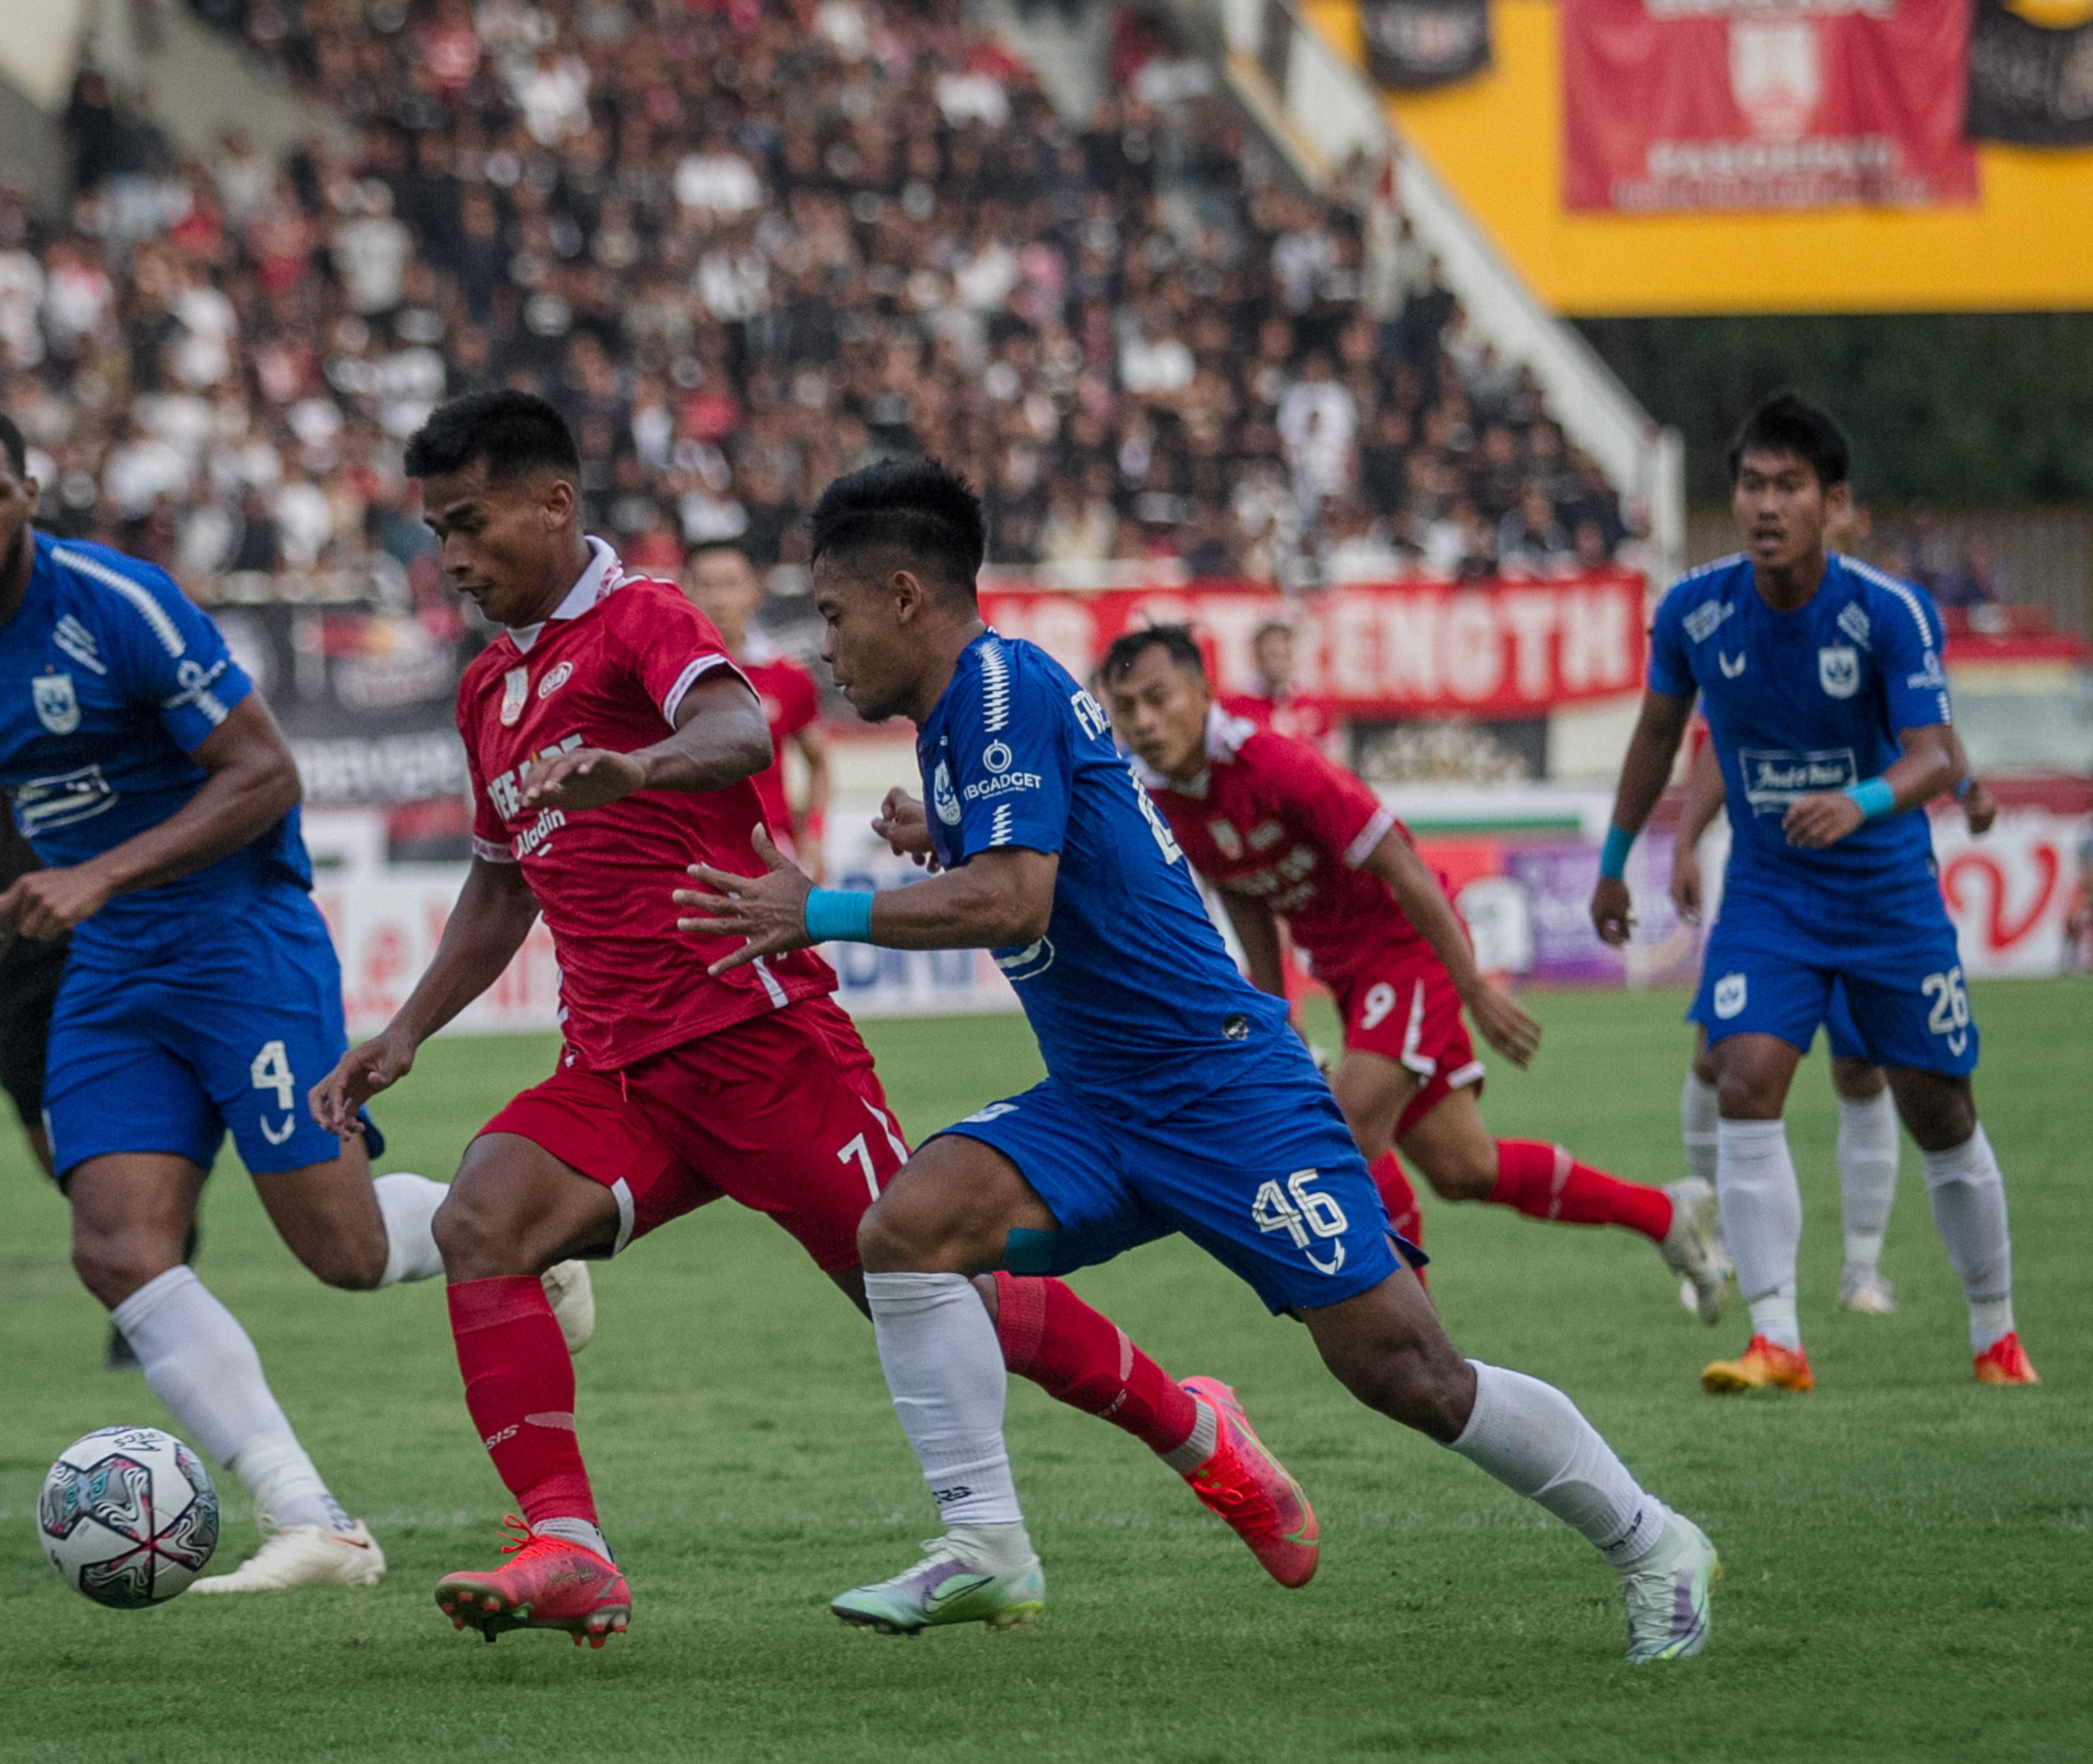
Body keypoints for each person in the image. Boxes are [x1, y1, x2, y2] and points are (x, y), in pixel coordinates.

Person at [312, 391, 1312, 1650]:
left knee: (936, 1283)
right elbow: (503, 881)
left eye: (469, 525)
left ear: (554, 504)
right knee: (483, 1218)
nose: (451, 558)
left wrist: (641, 766)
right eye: (437, 533)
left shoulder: (642, 620)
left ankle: (1198, 1429)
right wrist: (405, 1031)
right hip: (618, 1065)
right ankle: (566, 1543)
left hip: (759, 1039)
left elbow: (733, 727)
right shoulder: (487, 691)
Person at [677, 458, 1717, 1662]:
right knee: (906, 1229)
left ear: (905, 595)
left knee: (1411, 1373)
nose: (826, 646)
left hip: (1225, 1092)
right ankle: (984, 1546)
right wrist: (940, 831)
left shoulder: (1000, 689)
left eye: (835, 613)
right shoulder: (966, 721)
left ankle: (1655, 1541)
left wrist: (826, 910)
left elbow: (1016, 901)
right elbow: (1041, 866)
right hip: (1105, 1101)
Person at [0, 401, 562, 1596]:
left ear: (28, 495)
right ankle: (311, 1519)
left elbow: (266, 773)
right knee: (115, 1244)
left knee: (346, 1253)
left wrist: (99, 872)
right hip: (113, 974)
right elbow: (12, 799)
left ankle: (513, 1226)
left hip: (239, 945)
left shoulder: (119, 606)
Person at [1591, 393, 2035, 1393]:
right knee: (1743, 1073)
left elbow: (1932, 754)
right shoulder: (1696, 611)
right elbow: (1664, 737)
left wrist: (1862, 798)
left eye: (1789, 485)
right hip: (1773, 893)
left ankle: (1996, 1331)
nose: (1766, 503)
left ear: (1832, 502)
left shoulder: (1888, 611)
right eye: (1752, 483)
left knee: (1939, 1110)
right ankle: (1777, 1336)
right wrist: (1621, 857)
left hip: (1887, 899)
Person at [1097, 624, 1729, 1317]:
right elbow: (1245, 897)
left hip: (1405, 946)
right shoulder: (1163, 798)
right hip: (1349, 976)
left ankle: (1414, 1342)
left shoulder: (1274, 762)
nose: (1145, 722)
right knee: (1464, 1169)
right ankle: (1666, 1217)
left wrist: (1474, 988)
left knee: (1342, 1128)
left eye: (1158, 699)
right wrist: (1276, 1023)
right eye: (1125, 708)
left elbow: (1400, 861)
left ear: (1203, 691)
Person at [1670, 727, 2000, 1317]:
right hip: (1770, 889)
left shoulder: (1881, 638)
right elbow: (1720, 736)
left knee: (1861, 1069)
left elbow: (1932, 723)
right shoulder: (1734, 643)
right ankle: (1716, 1241)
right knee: (1718, 1061)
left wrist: (1968, 784)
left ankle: (1862, 1271)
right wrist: (1685, 842)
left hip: (1872, 894)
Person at [0, 710, 188, 1371]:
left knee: (137, 1110)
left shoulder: (97, 683)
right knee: (38, 1119)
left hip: (108, 911)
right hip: (10, 929)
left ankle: (151, 1277)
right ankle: (139, 1242)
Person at [681, 538, 831, 880]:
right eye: (707, 585)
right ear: (686, 590)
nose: (719, 599)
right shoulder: (665, 677)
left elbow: (819, 763)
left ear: (754, 589)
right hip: (690, 854)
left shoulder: (788, 676)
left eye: (730, 584)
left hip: (770, 853)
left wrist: (814, 835)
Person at [1220, 618, 1339, 760]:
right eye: (1268, 656)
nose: (1275, 664)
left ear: (1292, 656)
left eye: (1280, 655)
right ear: (1256, 657)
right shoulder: (1234, 708)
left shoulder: (1314, 706)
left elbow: (1332, 761)